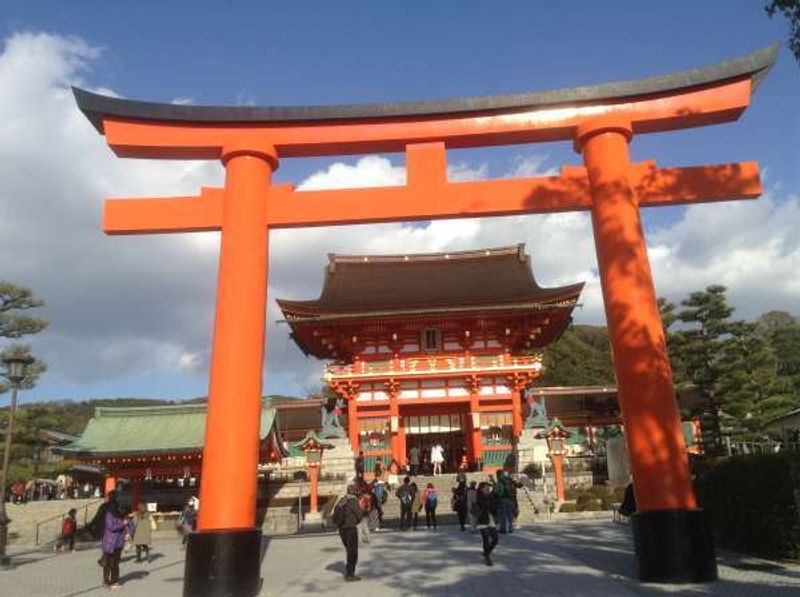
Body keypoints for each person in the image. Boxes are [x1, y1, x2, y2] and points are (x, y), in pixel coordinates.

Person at [332, 483, 364, 582]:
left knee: (348, 549)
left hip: (342, 529)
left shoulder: (341, 500)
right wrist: (355, 521)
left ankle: (349, 571)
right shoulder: (353, 501)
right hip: (350, 528)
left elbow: (335, 513)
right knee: (353, 552)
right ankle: (350, 574)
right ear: (354, 492)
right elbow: (359, 515)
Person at [100, 494, 127, 588]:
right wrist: (122, 524)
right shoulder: (109, 514)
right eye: (117, 507)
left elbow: (128, 525)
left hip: (118, 542)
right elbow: (111, 527)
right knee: (107, 563)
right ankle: (106, 581)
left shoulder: (122, 515)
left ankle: (115, 581)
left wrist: (128, 525)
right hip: (110, 542)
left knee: (115, 563)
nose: (119, 508)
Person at [475, 482, 499, 566]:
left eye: (488, 488)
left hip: (491, 519)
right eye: (486, 488)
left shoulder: (491, 496)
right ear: (481, 489)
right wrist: (490, 500)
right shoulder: (479, 497)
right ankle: (487, 557)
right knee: (485, 539)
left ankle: (487, 552)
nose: (488, 489)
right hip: (482, 519)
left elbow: (495, 506)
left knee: (495, 539)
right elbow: (484, 505)